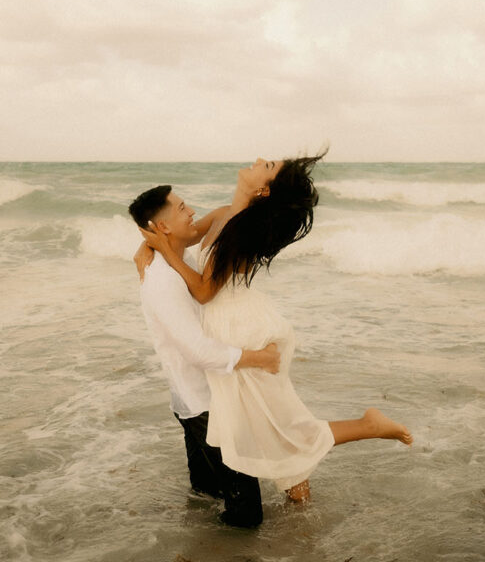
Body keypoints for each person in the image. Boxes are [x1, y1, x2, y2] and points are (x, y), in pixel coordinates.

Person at [138, 154, 412, 504]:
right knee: (268, 419)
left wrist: (163, 250)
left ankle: (368, 425)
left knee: (277, 424)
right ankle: (300, 505)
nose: (259, 159)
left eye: (267, 167)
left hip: (241, 329)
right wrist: (146, 246)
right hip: (232, 326)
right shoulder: (224, 214)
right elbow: (176, 233)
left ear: (264, 190)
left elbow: (205, 292)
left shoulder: (239, 230)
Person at [128, 184, 281, 528]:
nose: (191, 212)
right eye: (182, 208)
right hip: (204, 404)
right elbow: (197, 350)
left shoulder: (177, 258)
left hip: (191, 398)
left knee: (206, 495)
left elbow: (202, 228)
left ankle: (199, 556)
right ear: (163, 227)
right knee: (247, 515)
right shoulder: (163, 280)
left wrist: (149, 242)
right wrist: (261, 358)